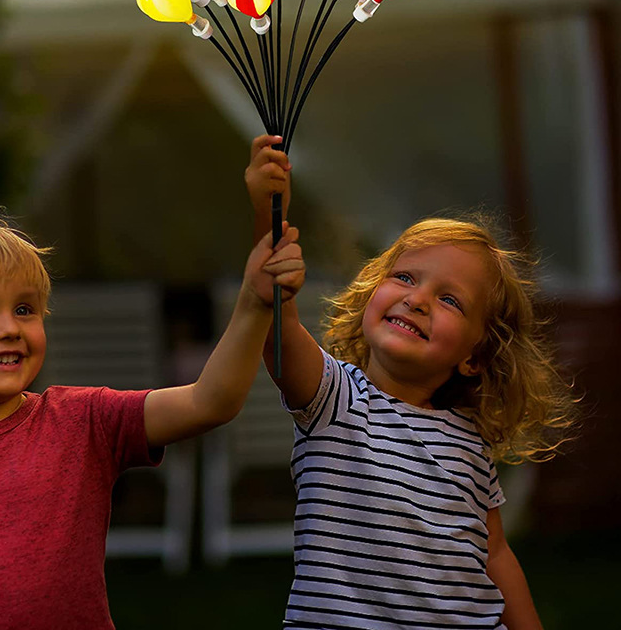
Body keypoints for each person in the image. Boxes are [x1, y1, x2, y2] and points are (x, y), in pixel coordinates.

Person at [0, 211, 305, 630]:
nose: (9, 327)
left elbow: (209, 402)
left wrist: (252, 303)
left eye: (25, 309)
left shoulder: (81, 420)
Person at [245, 134, 577, 630]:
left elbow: (495, 553)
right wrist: (267, 219)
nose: (418, 299)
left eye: (450, 300)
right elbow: (279, 332)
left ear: (475, 357)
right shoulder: (336, 399)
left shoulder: (468, 441)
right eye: (404, 277)